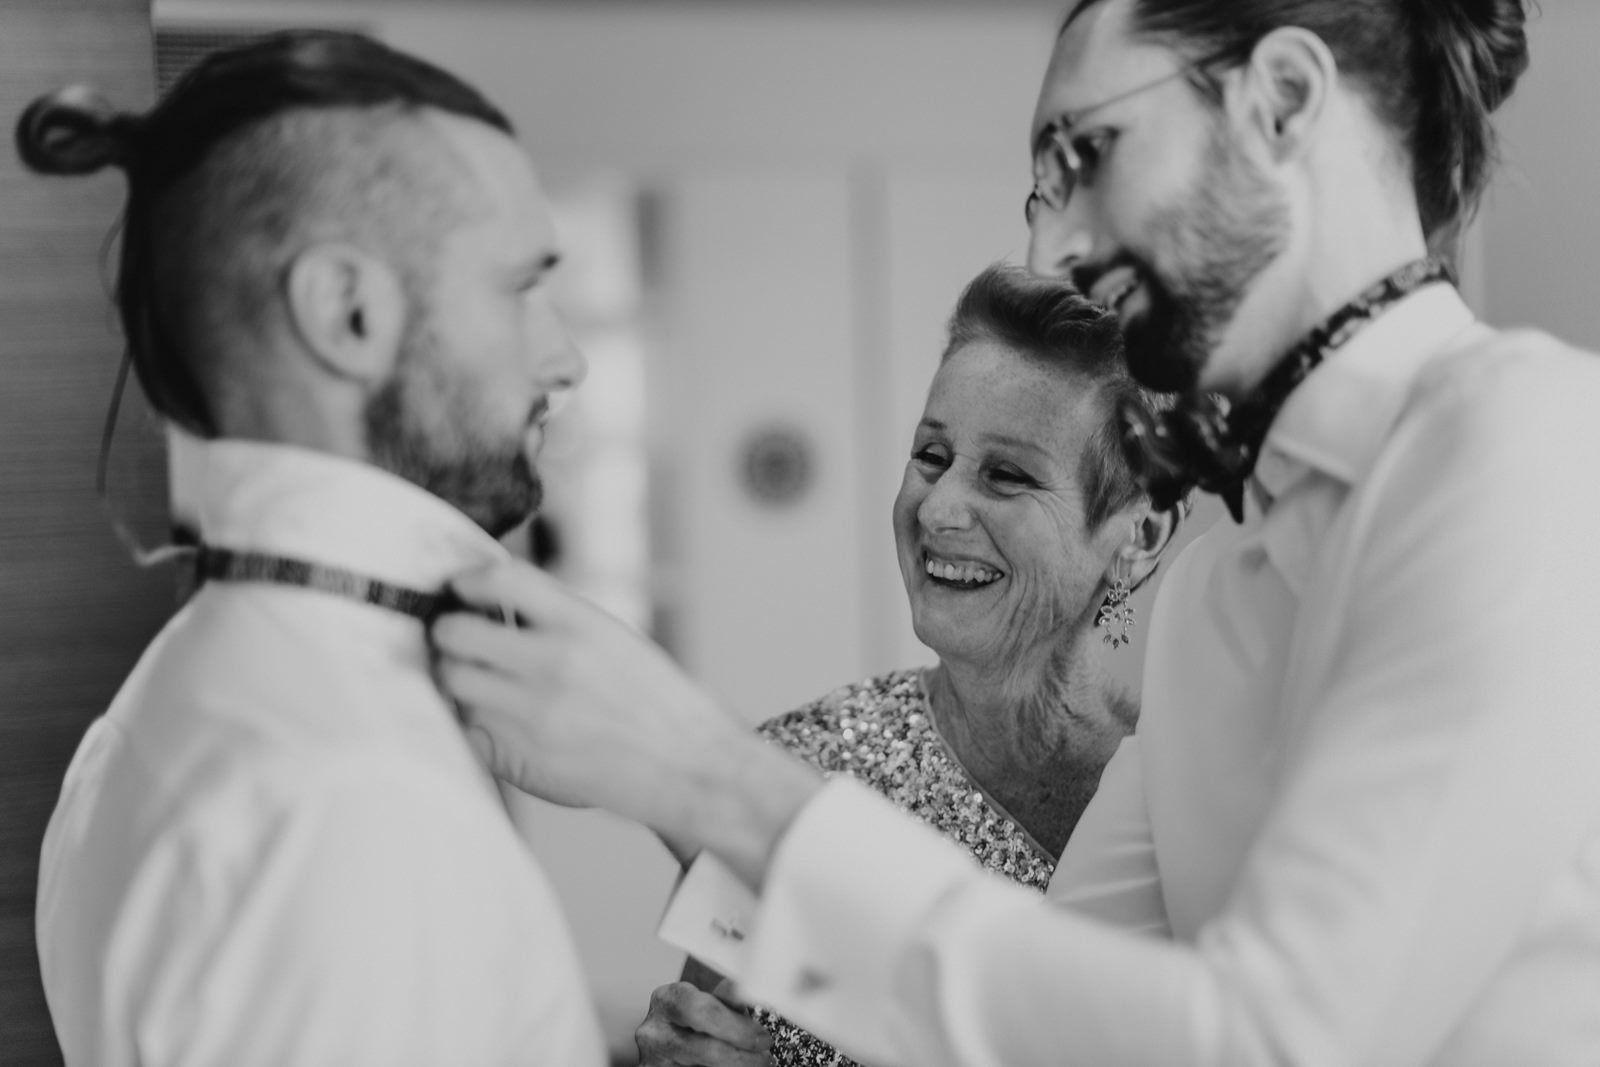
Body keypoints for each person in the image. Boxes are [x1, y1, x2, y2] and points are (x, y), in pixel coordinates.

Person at [434, 0, 1600, 1063]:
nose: (1055, 251)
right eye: (1041, 190)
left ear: (1283, 102)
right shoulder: (1213, 600)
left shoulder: (1524, 442)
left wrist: (699, 771)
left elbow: (1270, 1039)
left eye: (1087, 155)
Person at [22, 31, 607, 1066]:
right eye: (519, 285)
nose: (566, 359)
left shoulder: (148, 715)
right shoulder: (358, 795)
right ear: (347, 310)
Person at [633, 264, 1178, 1067]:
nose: (937, 507)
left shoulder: (1192, 809)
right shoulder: (800, 769)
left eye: (1007, 475)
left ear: (1138, 533)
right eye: (932, 455)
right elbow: (693, 1034)